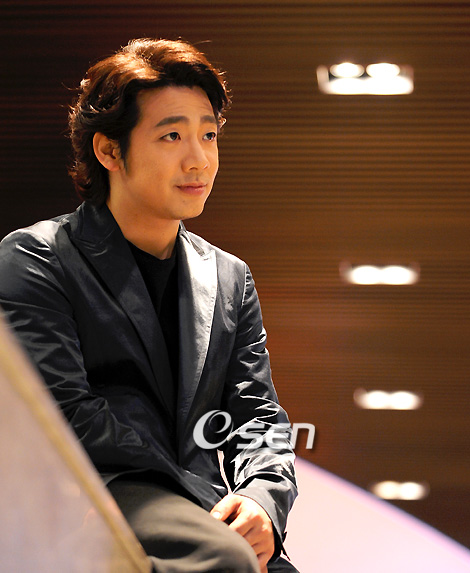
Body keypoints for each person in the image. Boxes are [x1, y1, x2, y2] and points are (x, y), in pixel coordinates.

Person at [0, 38, 298, 572]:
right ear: (109, 151)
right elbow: (65, 416)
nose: (198, 158)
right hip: (102, 496)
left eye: (209, 135)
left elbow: (258, 416)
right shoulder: (37, 257)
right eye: (172, 136)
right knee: (224, 558)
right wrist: (200, 500)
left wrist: (261, 498)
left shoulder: (229, 277)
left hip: (202, 515)